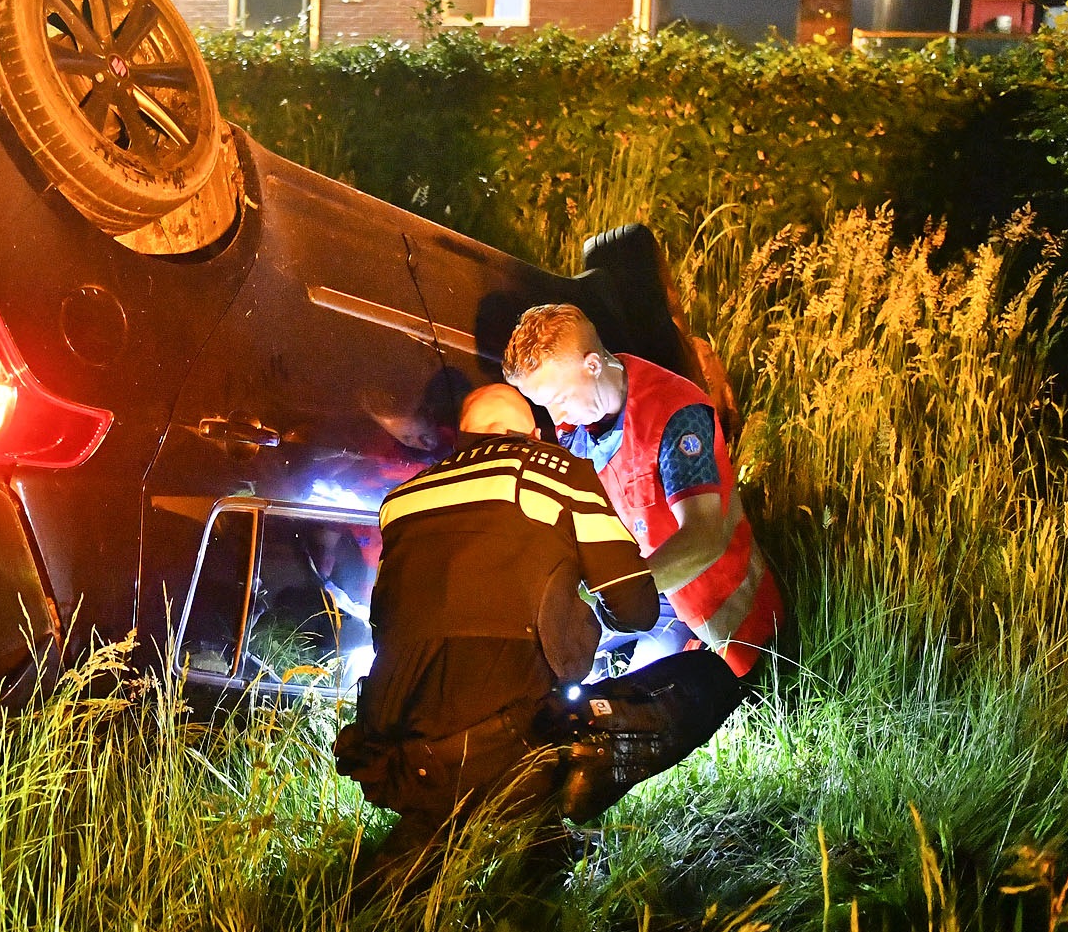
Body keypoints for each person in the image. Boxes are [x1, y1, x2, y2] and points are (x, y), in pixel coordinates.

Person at [333, 383, 658, 854]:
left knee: (431, 858)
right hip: (497, 733)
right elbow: (636, 608)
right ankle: (536, 832)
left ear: (463, 438)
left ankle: (518, 841)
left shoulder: (400, 499)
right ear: (532, 433)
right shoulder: (560, 472)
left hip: (390, 726)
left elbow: (383, 615)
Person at [503, 304, 785, 678]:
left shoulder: (675, 413)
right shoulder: (575, 421)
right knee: (545, 661)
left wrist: (608, 593)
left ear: (592, 365)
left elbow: (704, 538)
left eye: (558, 398)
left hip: (709, 602)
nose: (556, 415)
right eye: (543, 405)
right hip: (634, 589)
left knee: (637, 698)